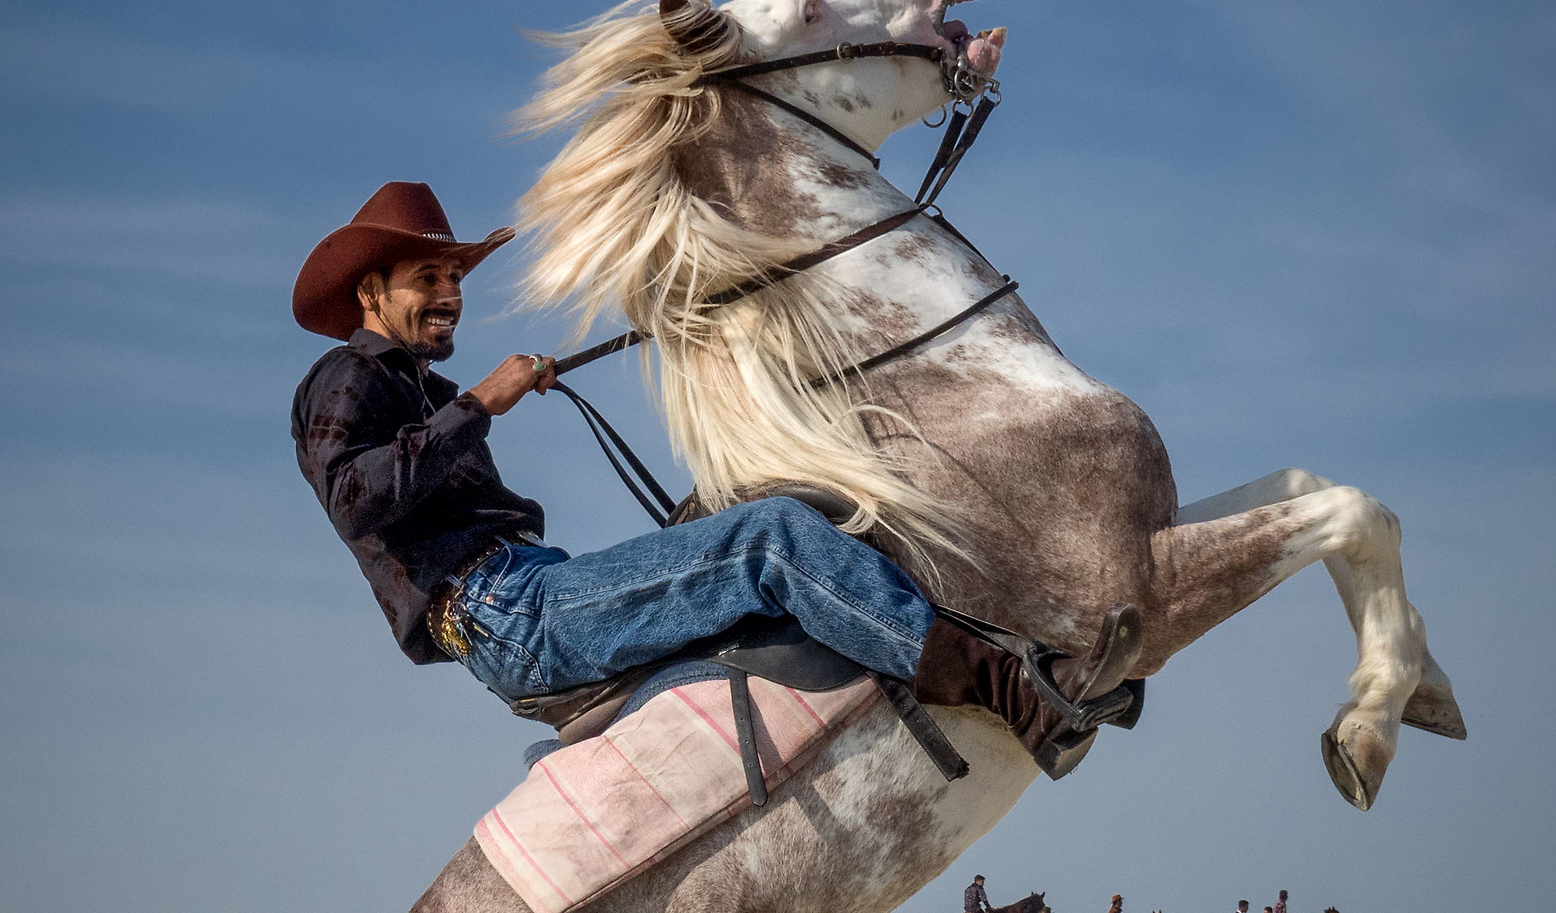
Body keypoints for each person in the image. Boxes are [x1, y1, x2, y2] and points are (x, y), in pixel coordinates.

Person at [290, 183, 1105, 774]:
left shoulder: (423, 393)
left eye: (457, 279)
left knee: (741, 503)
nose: (450, 295)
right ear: (371, 291)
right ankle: (1018, 693)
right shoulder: (347, 376)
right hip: (504, 611)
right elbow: (355, 502)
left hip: (536, 587)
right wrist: (481, 403)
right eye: (427, 280)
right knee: (771, 537)